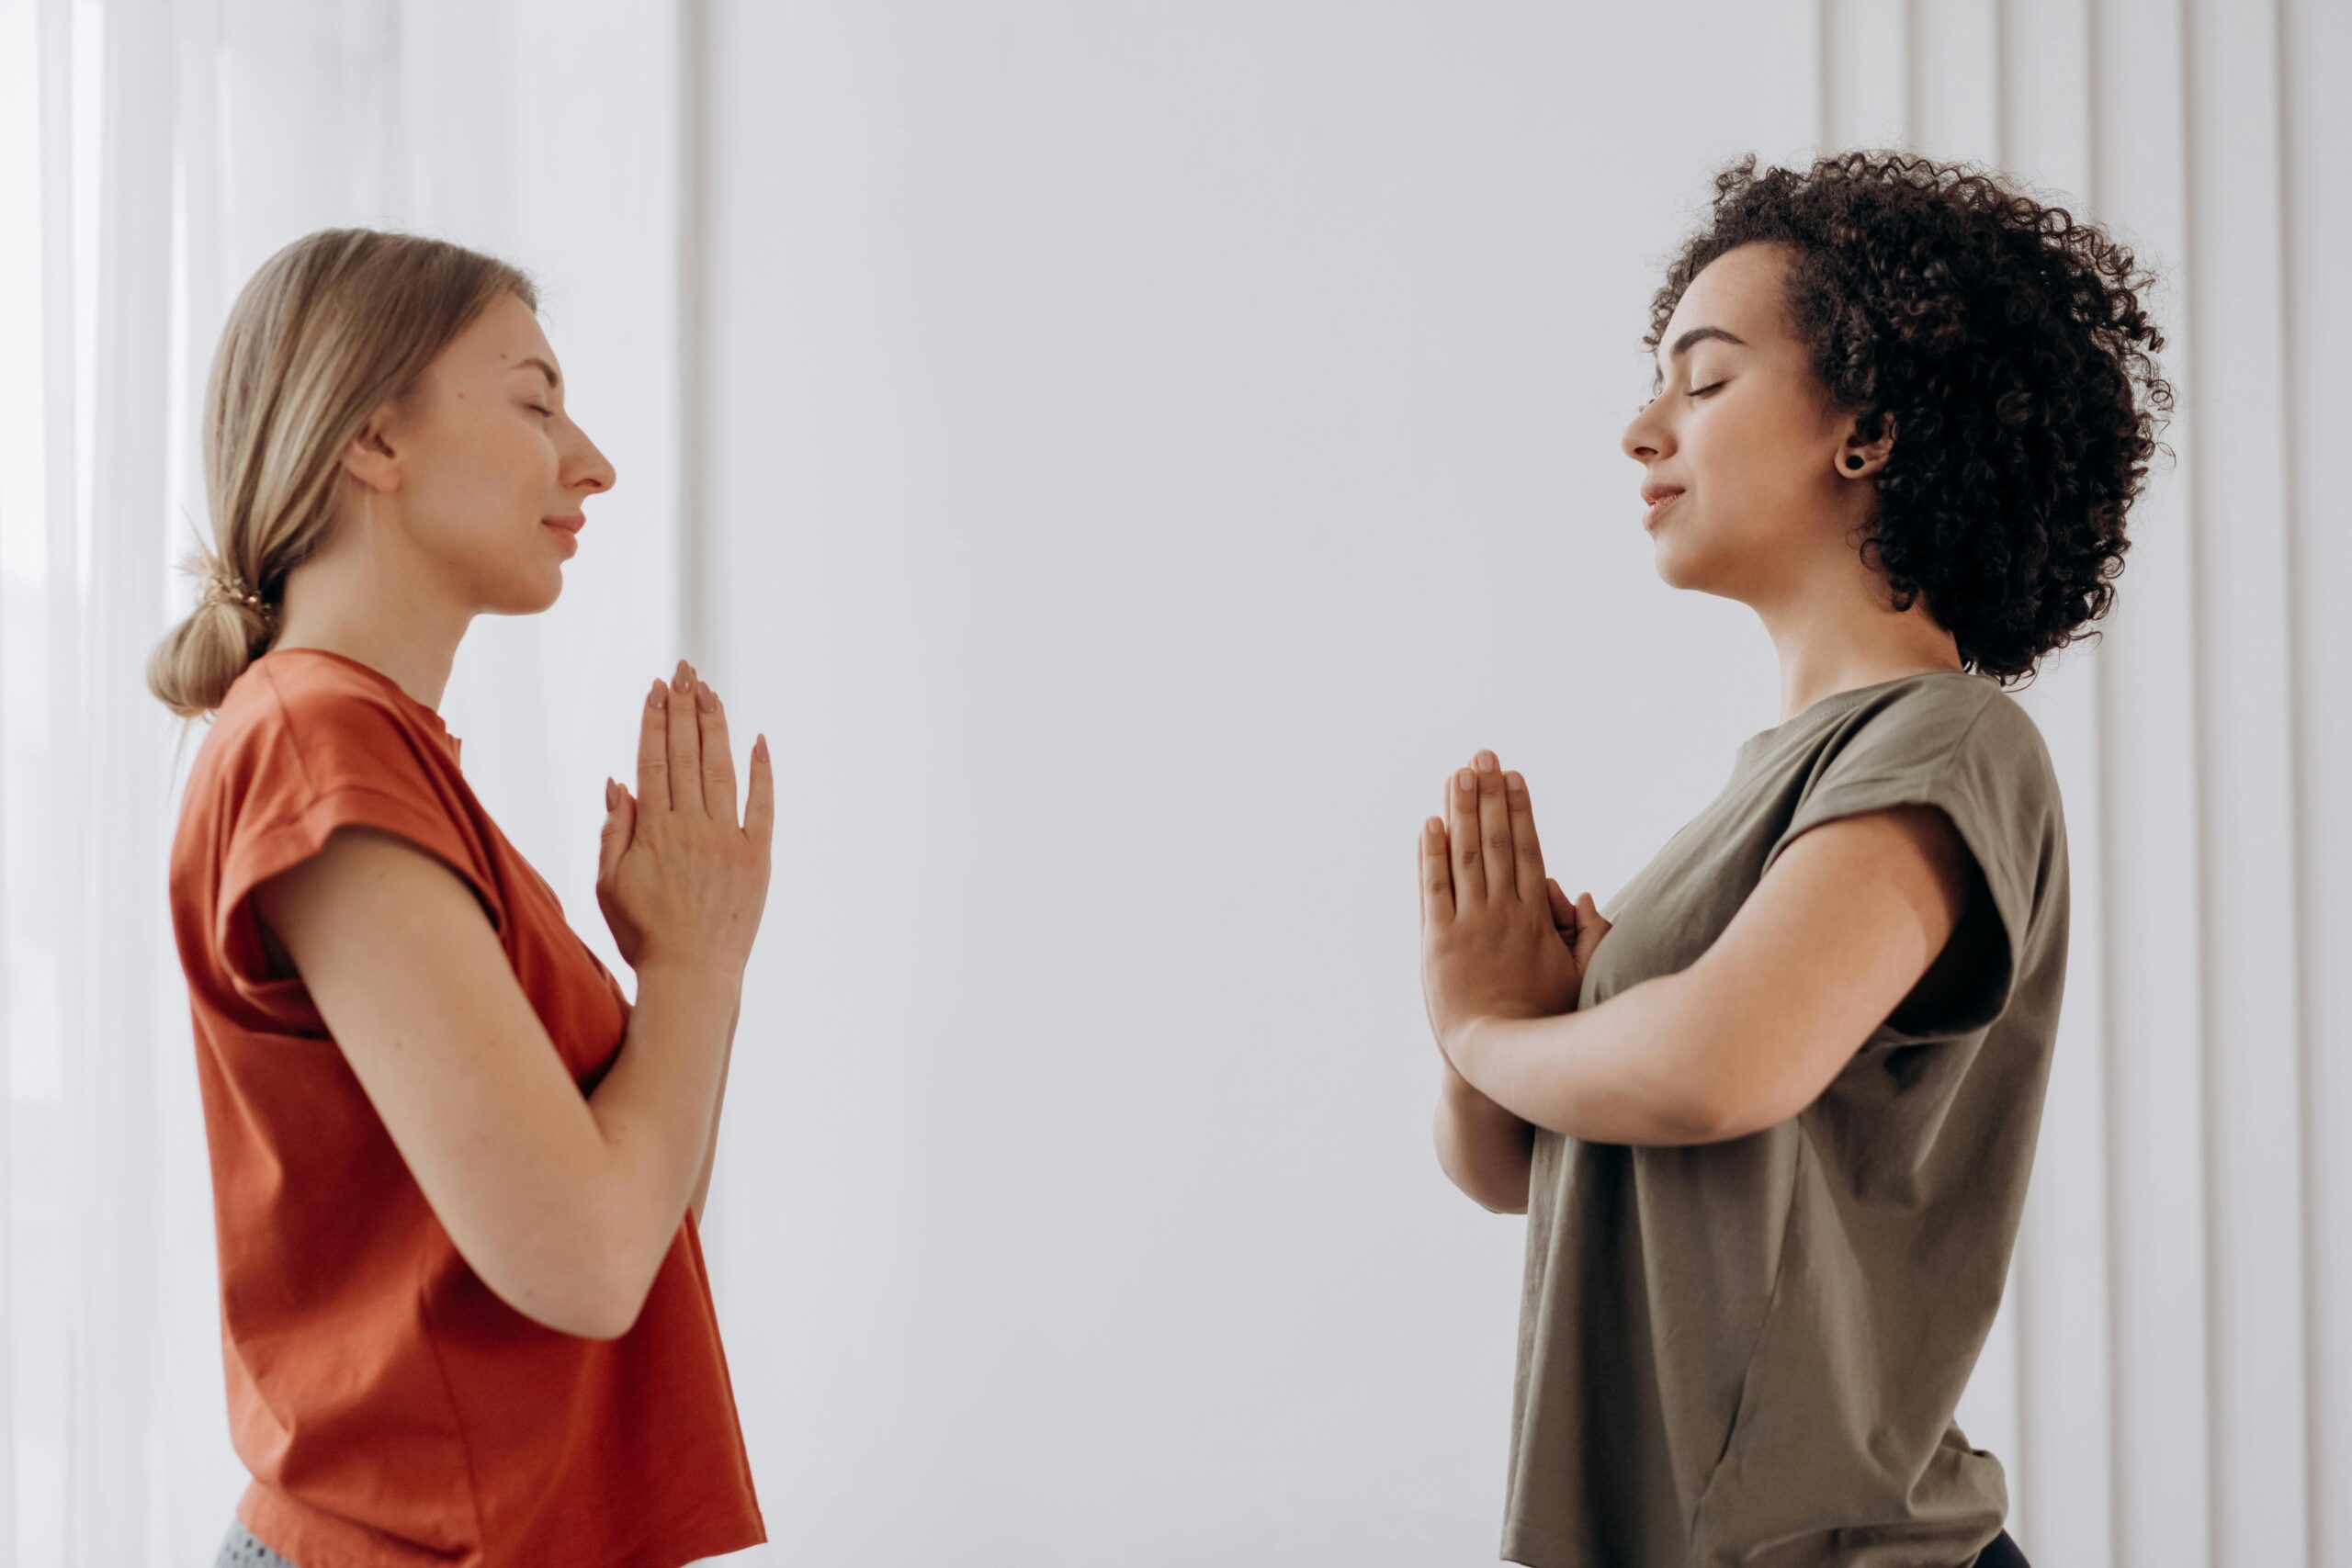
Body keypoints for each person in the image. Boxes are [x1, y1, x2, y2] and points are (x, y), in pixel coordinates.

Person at [1417, 151, 2172, 1568]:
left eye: (1702, 383)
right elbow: (1514, 1168)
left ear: (1868, 432)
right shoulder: (1758, 807)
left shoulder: (1946, 746)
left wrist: (1484, 1026)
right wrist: (1492, 1030)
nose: (1644, 431)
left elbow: (1711, 1072)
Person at [154, 228, 775, 1568]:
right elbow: (594, 1264)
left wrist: (686, 959)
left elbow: (643, 1222)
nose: (591, 460)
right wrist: (695, 976)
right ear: (373, 437)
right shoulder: (318, 745)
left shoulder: (387, 765)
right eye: (536, 401)